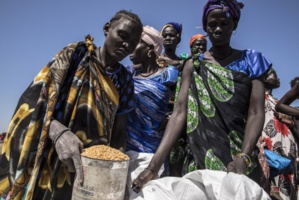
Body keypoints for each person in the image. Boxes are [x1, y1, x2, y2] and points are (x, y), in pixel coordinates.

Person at [0, 10, 143, 200]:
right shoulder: (76, 54)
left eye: (133, 43)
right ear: (107, 29)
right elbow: (33, 99)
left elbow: (118, 133)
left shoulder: (125, 81)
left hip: (88, 170)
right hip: (49, 157)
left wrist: (116, 171)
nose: (126, 45)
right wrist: (57, 130)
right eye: (123, 35)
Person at [132, 0, 272, 193]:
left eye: (224, 23)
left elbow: (256, 112)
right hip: (199, 161)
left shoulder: (251, 61)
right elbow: (179, 113)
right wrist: (152, 167)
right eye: (212, 24)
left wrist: (244, 157)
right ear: (205, 26)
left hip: (240, 161)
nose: (218, 29)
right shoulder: (193, 65)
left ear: (235, 25)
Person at [125, 25, 178, 178]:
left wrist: (170, 116)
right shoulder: (129, 74)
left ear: (150, 49)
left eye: (136, 43)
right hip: (128, 147)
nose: (130, 47)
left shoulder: (169, 74)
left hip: (155, 150)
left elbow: (184, 103)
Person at [260, 69, 297, 200]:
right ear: (264, 78)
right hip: (270, 146)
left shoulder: (275, 101)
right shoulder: (258, 99)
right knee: (273, 179)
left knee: (288, 181)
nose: (278, 79)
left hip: (286, 146)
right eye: (274, 75)